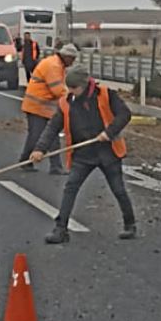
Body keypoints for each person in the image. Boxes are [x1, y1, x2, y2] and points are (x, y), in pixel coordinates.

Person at [29, 67, 136, 244]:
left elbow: (125, 114)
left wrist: (109, 132)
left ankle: (130, 224)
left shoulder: (106, 95)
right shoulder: (66, 102)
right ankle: (60, 229)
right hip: (83, 154)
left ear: (84, 85)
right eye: (68, 88)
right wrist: (40, 149)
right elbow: (53, 127)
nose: (70, 92)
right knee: (70, 188)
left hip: (108, 151)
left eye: (73, 88)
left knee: (118, 189)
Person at [19, 44, 79, 174]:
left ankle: (55, 167)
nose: (73, 62)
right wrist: (75, 98)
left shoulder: (57, 65)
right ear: (66, 57)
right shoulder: (53, 66)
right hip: (37, 106)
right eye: (72, 59)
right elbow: (58, 90)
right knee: (36, 136)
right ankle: (26, 161)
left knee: (52, 136)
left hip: (44, 107)